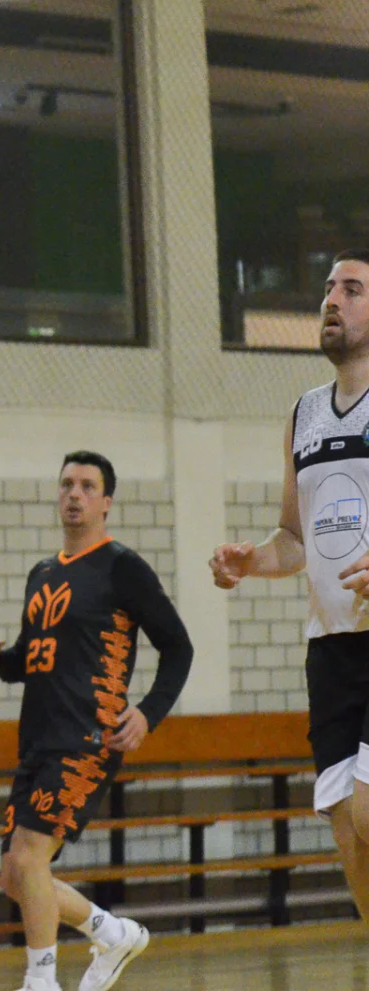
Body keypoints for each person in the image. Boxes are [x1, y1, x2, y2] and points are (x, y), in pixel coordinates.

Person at [0, 452, 193, 991]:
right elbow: (30, 659)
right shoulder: (43, 573)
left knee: (30, 856)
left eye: (88, 486)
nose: (74, 494)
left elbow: (178, 647)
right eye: (67, 484)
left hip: (89, 737)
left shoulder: (122, 567)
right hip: (38, 739)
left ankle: (41, 981)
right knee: (15, 876)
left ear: (106, 502)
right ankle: (113, 933)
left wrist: (149, 712)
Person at [212, 248, 369, 919]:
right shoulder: (304, 415)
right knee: (348, 832)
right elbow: (295, 540)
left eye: (352, 289)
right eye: (330, 288)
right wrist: (251, 560)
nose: (332, 299)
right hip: (330, 649)